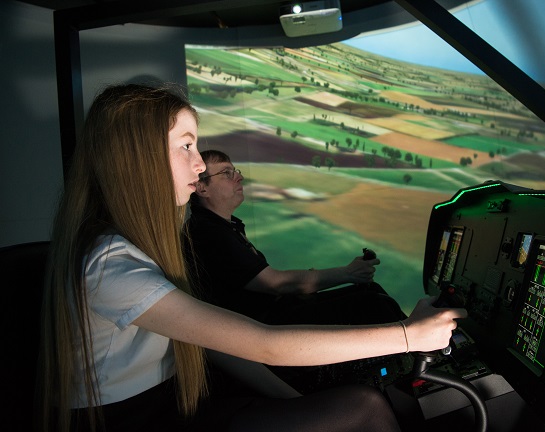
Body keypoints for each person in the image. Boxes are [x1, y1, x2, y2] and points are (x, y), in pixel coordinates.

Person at [35, 83, 466, 432]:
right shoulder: (110, 264)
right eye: (185, 147)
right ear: (137, 160)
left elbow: (214, 344)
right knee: (365, 409)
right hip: (139, 420)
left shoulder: (136, 247)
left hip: (173, 406)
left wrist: (293, 403)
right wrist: (410, 335)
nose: (200, 165)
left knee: (355, 405)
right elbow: (264, 343)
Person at [183, 149, 407, 326]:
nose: (239, 177)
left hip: (273, 316)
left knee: (372, 293)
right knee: (374, 304)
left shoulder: (224, 227)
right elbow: (274, 283)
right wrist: (348, 273)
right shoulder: (208, 232)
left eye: (235, 170)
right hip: (266, 328)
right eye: (227, 173)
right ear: (202, 188)